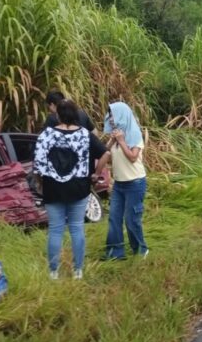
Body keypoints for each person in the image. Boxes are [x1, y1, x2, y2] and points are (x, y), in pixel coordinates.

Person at [34, 100, 109, 280]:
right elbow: (106, 153)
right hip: (79, 188)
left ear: (57, 115)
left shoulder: (46, 135)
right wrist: (96, 174)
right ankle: (78, 270)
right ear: (76, 115)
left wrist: (40, 183)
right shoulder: (84, 134)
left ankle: (53, 272)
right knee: (77, 228)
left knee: (55, 230)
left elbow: (38, 166)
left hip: (52, 189)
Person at [98, 102, 149, 260]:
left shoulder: (134, 134)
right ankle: (115, 253)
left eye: (113, 115)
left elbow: (133, 157)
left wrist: (121, 141)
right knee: (114, 218)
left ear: (122, 115)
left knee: (131, 220)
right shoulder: (115, 136)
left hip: (135, 183)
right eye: (110, 116)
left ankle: (140, 250)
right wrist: (112, 143)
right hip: (119, 184)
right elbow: (106, 157)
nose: (111, 119)